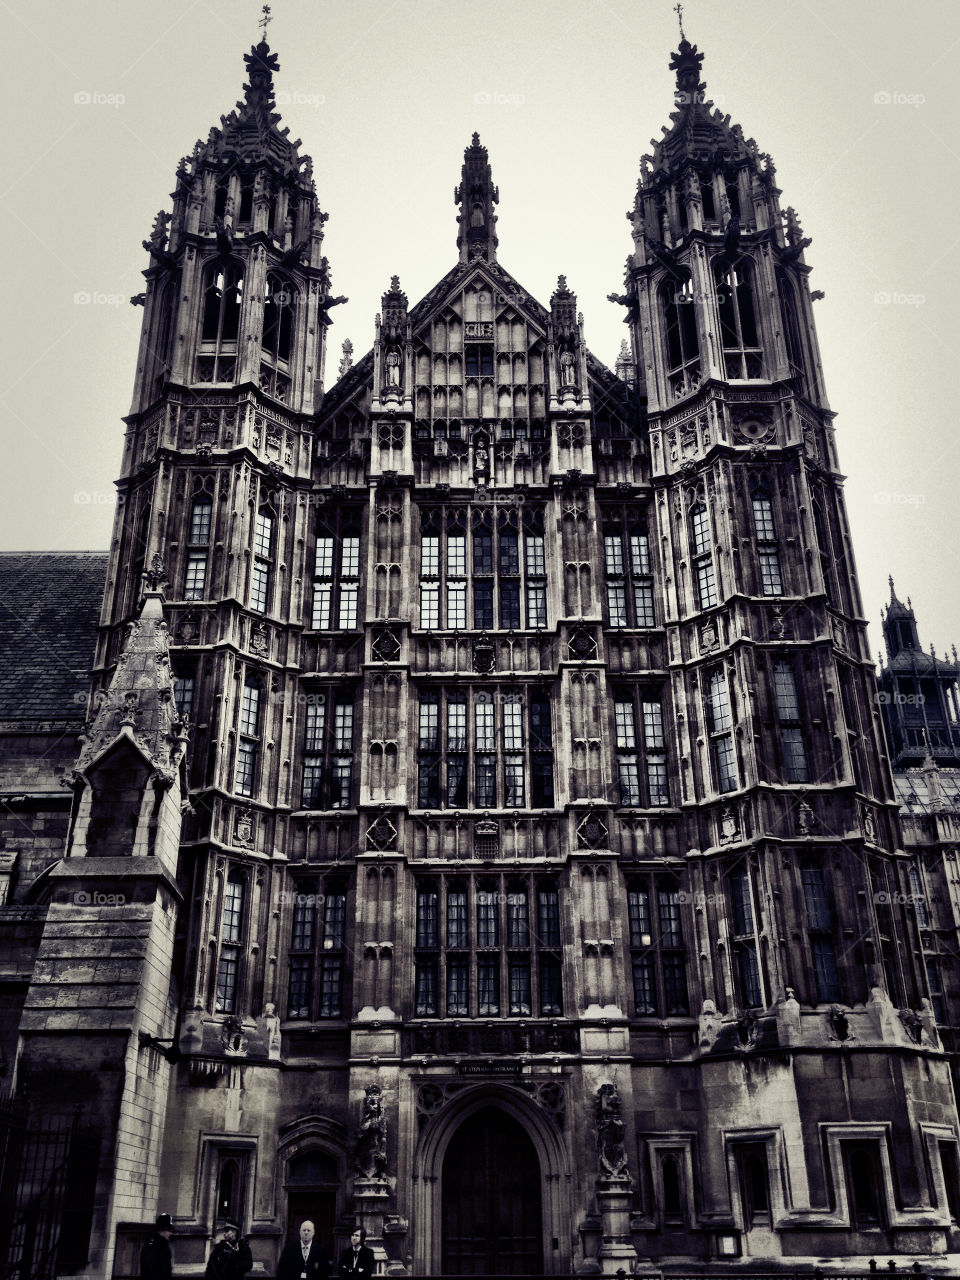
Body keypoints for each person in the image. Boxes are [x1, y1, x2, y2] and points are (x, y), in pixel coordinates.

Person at [140, 1213, 174, 1280]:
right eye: (169, 1230)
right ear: (162, 1229)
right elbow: (149, 1272)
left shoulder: (164, 1246)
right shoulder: (151, 1247)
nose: (171, 1233)